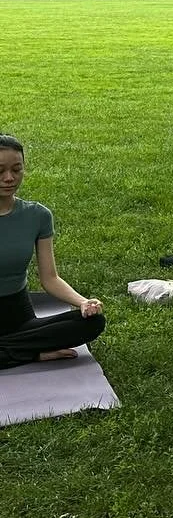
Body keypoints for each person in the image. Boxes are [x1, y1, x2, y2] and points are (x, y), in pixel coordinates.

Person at [0, 136, 106, 370]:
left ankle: (11, 350)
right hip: (25, 338)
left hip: (19, 318)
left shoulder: (37, 215)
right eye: (0, 171)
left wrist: (83, 302)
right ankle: (30, 353)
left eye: (16, 169)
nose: (9, 178)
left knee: (93, 322)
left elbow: (50, 278)